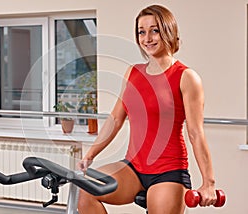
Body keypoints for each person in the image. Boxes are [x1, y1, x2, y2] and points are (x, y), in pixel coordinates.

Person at [77, 4, 217, 214]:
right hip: (132, 168)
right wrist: (90, 154)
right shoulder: (133, 72)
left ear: (168, 31)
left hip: (168, 171)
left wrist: (209, 182)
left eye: (155, 30)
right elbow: (115, 119)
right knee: (87, 191)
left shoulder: (186, 77)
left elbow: (196, 133)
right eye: (141, 32)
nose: (147, 38)